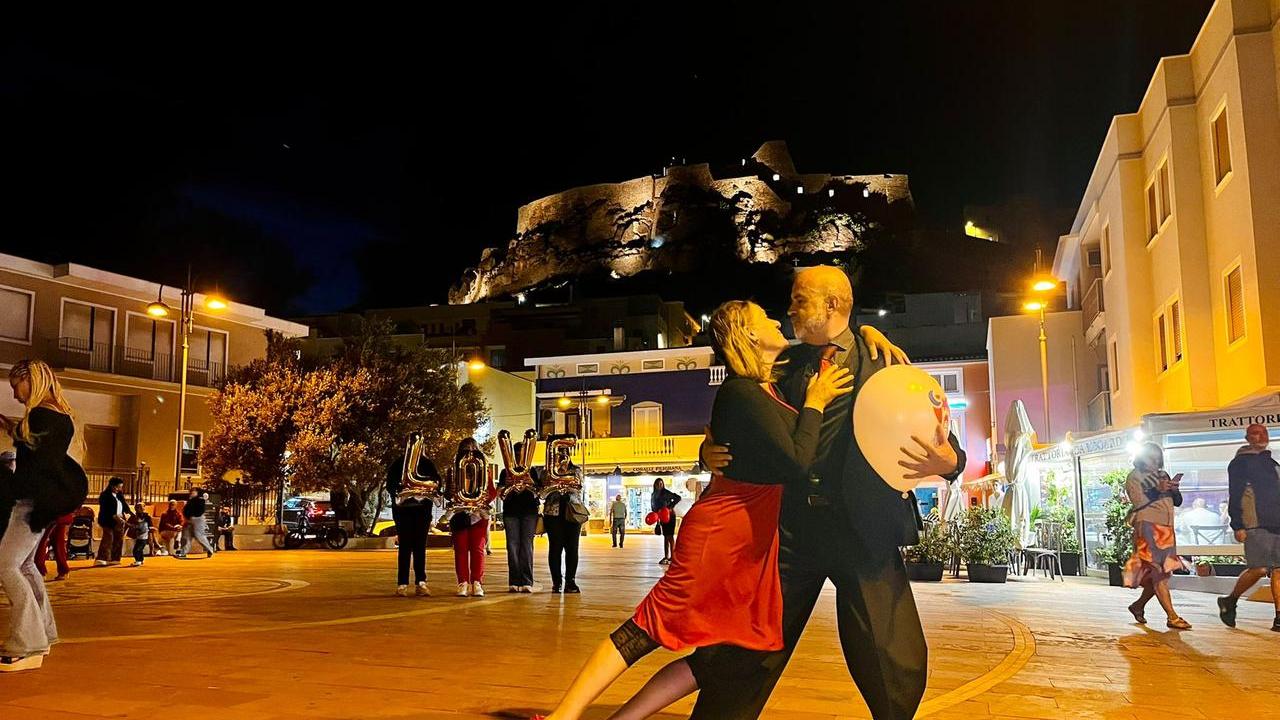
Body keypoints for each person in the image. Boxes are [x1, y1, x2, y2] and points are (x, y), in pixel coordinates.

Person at [534, 300, 851, 720]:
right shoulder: (740, 391)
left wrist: (870, 335)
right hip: (720, 535)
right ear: (749, 334)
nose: (778, 319)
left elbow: (840, 334)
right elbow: (796, 463)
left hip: (749, 543)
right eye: (766, 317)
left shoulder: (769, 385)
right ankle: (562, 717)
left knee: (720, 656)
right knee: (648, 627)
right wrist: (816, 402)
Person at [694, 267, 963, 720]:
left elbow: (938, 430)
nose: (791, 309)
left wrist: (950, 462)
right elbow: (743, 418)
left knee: (892, 653)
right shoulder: (781, 366)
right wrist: (708, 449)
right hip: (792, 529)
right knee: (752, 644)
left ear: (832, 305)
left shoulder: (884, 361)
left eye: (800, 300)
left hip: (863, 529)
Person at [0, 359, 87, 672]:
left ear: (29, 379)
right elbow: (41, 454)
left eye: (15, 386)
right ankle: (44, 633)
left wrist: (10, 483)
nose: (15, 395)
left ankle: (27, 643)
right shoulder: (55, 414)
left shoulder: (41, 414)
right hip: (42, 500)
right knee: (23, 565)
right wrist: (16, 431)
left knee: (6, 566)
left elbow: (39, 465)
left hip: (31, 501)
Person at [1217, 423, 1280, 632]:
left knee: (1278, 569)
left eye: (1264, 432)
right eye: (1255, 432)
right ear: (1247, 437)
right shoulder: (1240, 463)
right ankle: (1230, 600)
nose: (1261, 436)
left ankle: (1279, 617)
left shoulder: (1271, 461)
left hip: (1276, 522)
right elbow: (1235, 493)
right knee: (1260, 568)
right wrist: (1237, 523)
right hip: (1256, 522)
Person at [1122, 442, 1191, 630]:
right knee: (1158, 572)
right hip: (1147, 526)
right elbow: (1138, 502)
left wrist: (1174, 489)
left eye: (1156, 457)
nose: (1154, 460)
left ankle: (1138, 606)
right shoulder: (1134, 477)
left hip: (1166, 528)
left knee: (1162, 572)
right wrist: (1156, 490)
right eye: (1150, 456)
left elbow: (1177, 501)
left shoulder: (1162, 475)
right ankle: (1172, 616)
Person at [385, 445, 438, 597]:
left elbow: (436, 482)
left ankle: (421, 582)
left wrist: (424, 488)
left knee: (420, 547)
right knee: (405, 547)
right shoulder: (399, 463)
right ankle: (402, 583)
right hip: (403, 511)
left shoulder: (427, 464)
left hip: (422, 511)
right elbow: (391, 485)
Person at [449, 438, 496, 598]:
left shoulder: (485, 471)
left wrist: (482, 501)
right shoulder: (454, 470)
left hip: (478, 515)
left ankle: (477, 582)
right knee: (460, 550)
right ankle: (462, 583)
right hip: (459, 514)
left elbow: (491, 491)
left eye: (473, 449)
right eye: (465, 449)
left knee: (478, 550)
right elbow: (448, 492)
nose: (469, 453)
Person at [498, 441, 540, 593]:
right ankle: (514, 580)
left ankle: (527, 581)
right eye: (516, 455)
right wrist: (507, 486)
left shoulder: (532, 471)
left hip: (529, 511)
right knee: (512, 546)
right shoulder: (505, 472)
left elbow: (540, 492)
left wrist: (532, 483)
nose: (519, 458)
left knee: (527, 546)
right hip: (511, 512)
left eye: (521, 455)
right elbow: (500, 494)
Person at [544, 465, 586, 595]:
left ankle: (570, 581)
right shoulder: (548, 470)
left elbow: (579, 489)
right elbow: (543, 491)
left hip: (573, 512)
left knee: (572, 548)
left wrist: (564, 482)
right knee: (555, 548)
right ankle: (556, 582)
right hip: (552, 513)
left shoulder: (576, 470)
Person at [94, 477, 131, 566]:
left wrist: (129, 515)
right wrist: (117, 518)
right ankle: (102, 558)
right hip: (108, 520)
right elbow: (107, 509)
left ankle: (115, 558)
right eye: (118, 487)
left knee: (118, 539)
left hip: (120, 519)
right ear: (112, 486)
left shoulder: (119, 495)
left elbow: (125, 507)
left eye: (120, 487)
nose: (119, 489)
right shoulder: (105, 495)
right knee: (108, 538)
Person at [35, 511, 74, 581]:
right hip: (62, 512)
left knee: (41, 542)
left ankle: (40, 570)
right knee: (58, 542)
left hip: (47, 513)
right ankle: (63, 570)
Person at [178, 488, 215, 559]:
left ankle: (210, 549)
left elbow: (200, 511)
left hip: (197, 520)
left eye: (193, 492)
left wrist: (193, 517)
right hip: (188, 520)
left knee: (199, 536)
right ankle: (183, 553)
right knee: (185, 537)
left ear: (197, 493)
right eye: (191, 491)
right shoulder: (190, 501)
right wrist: (187, 517)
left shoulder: (200, 500)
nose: (191, 493)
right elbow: (185, 510)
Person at [651, 479, 680, 564]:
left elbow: (678, 498)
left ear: (663, 484)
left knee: (670, 536)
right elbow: (653, 506)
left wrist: (670, 507)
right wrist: (656, 515)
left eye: (661, 484)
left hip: (670, 516)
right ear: (655, 485)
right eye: (658, 484)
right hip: (662, 517)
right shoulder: (653, 494)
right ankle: (666, 556)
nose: (659, 485)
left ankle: (673, 557)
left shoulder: (666, 492)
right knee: (665, 536)